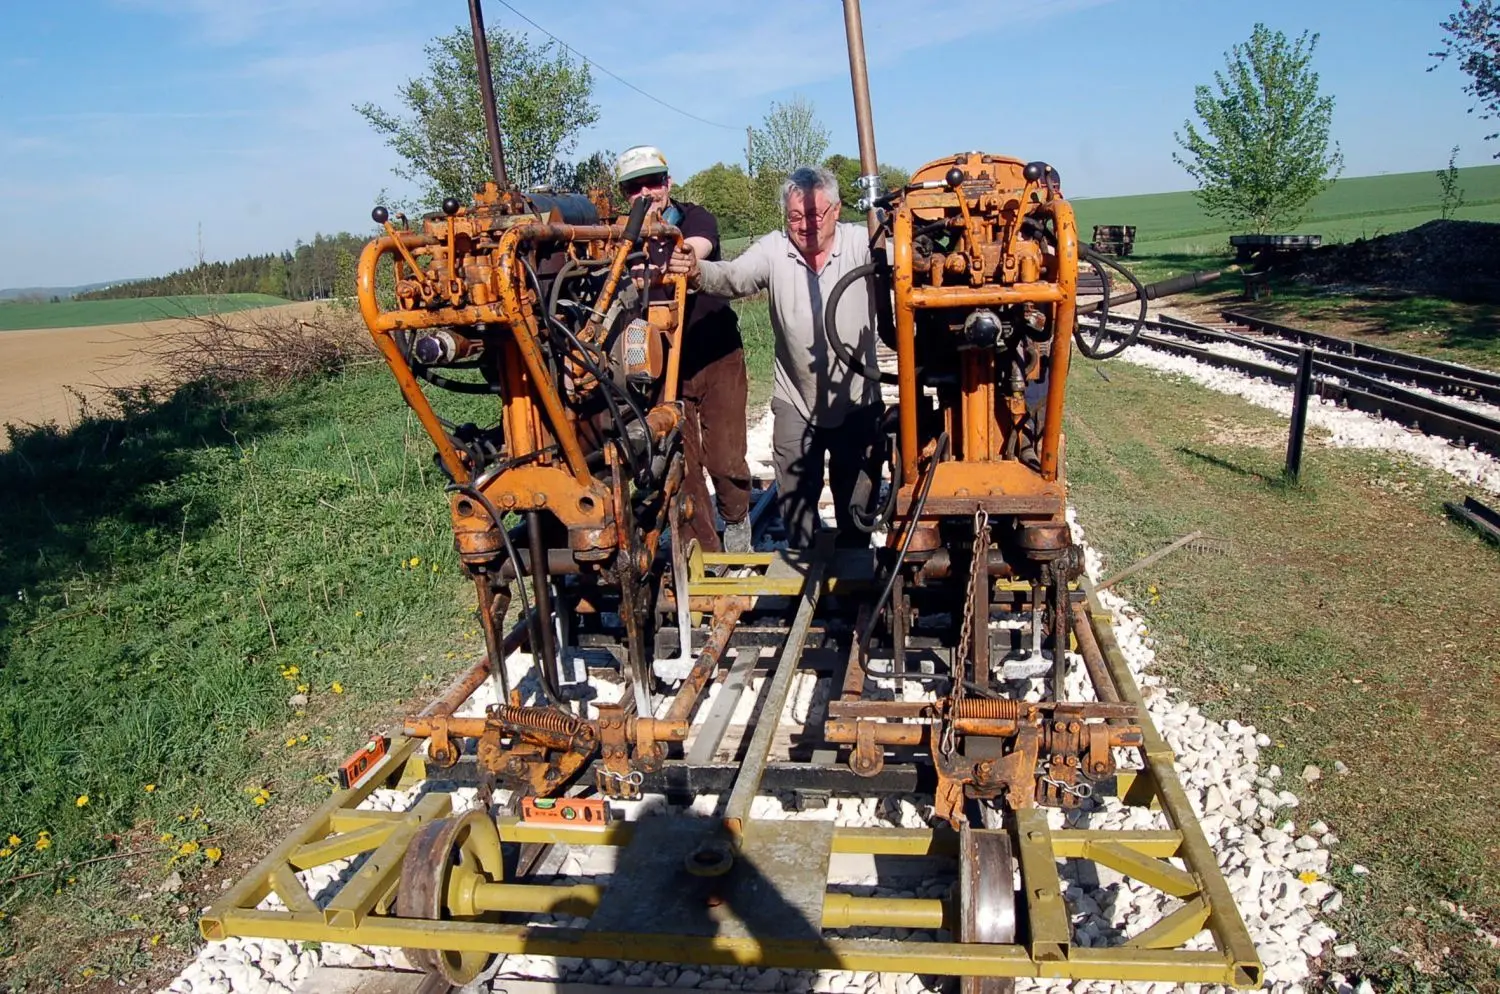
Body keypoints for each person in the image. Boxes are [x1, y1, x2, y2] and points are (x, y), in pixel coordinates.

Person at [671, 165, 882, 550]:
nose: (807, 226)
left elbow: (901, 261)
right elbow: (734, 276)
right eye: (796, 217)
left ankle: (854, 573)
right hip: (795, 399)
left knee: (857, 502)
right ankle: (805, 561)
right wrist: (696, 271)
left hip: (856, 397)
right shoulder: (775, 248)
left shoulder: (862, 242)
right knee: (796, 503)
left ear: (836, 210)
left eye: (816, 215)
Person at [614, 145, 752, 554]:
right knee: (681, 460)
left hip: (716, 353)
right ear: (626, 195)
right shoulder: (618, 236)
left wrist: (663, 264)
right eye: (634, 187)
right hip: (660, 362)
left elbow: (695, 251)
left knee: (725, 457)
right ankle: (704, 554)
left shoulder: (695, 218)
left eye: (653, 182)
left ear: (668, 183)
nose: (647, 192)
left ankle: (737, 517)